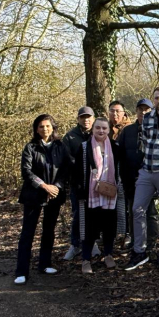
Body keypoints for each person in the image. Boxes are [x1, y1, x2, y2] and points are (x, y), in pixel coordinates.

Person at [126, 87, 159, 270]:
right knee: (137, 209)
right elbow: (144, 142)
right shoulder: (146, 118)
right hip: (147, 170)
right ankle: (139, 251)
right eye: (157, 98)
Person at [14, 114, 70, 285]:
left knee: (49, 230)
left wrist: (56, 187)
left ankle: (45, 264)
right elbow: (26, 171)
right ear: (36, 129)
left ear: (53, 127)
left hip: (54, 194)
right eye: (41, 127)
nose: (44, 129)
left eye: (47, 126)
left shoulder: (60, 146)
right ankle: (21, 271)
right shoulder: (30, 147)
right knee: (28, 233)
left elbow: (66, 170)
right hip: (33, 195)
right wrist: (43, 186)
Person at [73, 117, 126, 274]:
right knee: (89, 227)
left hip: (110, 193)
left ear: (109, 130)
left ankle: (108, 255)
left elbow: (120, 169)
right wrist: (79, 190)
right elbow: (76, 172)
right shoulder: (84, 147)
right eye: (98, 128)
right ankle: (86, 259)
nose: (101, 131)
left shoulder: (115, 147)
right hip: (90, 194)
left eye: (104, 128)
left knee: (109, 226)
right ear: (93, 129)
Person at [115, 99, 159, 247]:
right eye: (140, 109)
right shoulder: (127, 131)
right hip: (130, 180)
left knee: (151, 212)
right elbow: (120, 156)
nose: (143, 112)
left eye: (147, 109)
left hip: (150, 178)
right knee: (134, 211)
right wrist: (123, 177)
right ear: (136, 111)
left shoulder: (156, 130)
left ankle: (151, 243)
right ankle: (136, 242)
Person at [62, 106, 98, 260]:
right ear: (78, 119)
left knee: (94, 215)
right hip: (78, 183)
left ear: (93, 118)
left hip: (96, 183)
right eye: (83, 117)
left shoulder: (98, 134)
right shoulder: (70, 137)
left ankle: (93, 243)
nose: (86, 120)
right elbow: (66, 160)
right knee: (78, 214)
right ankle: (75, 244)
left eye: (89, 117)